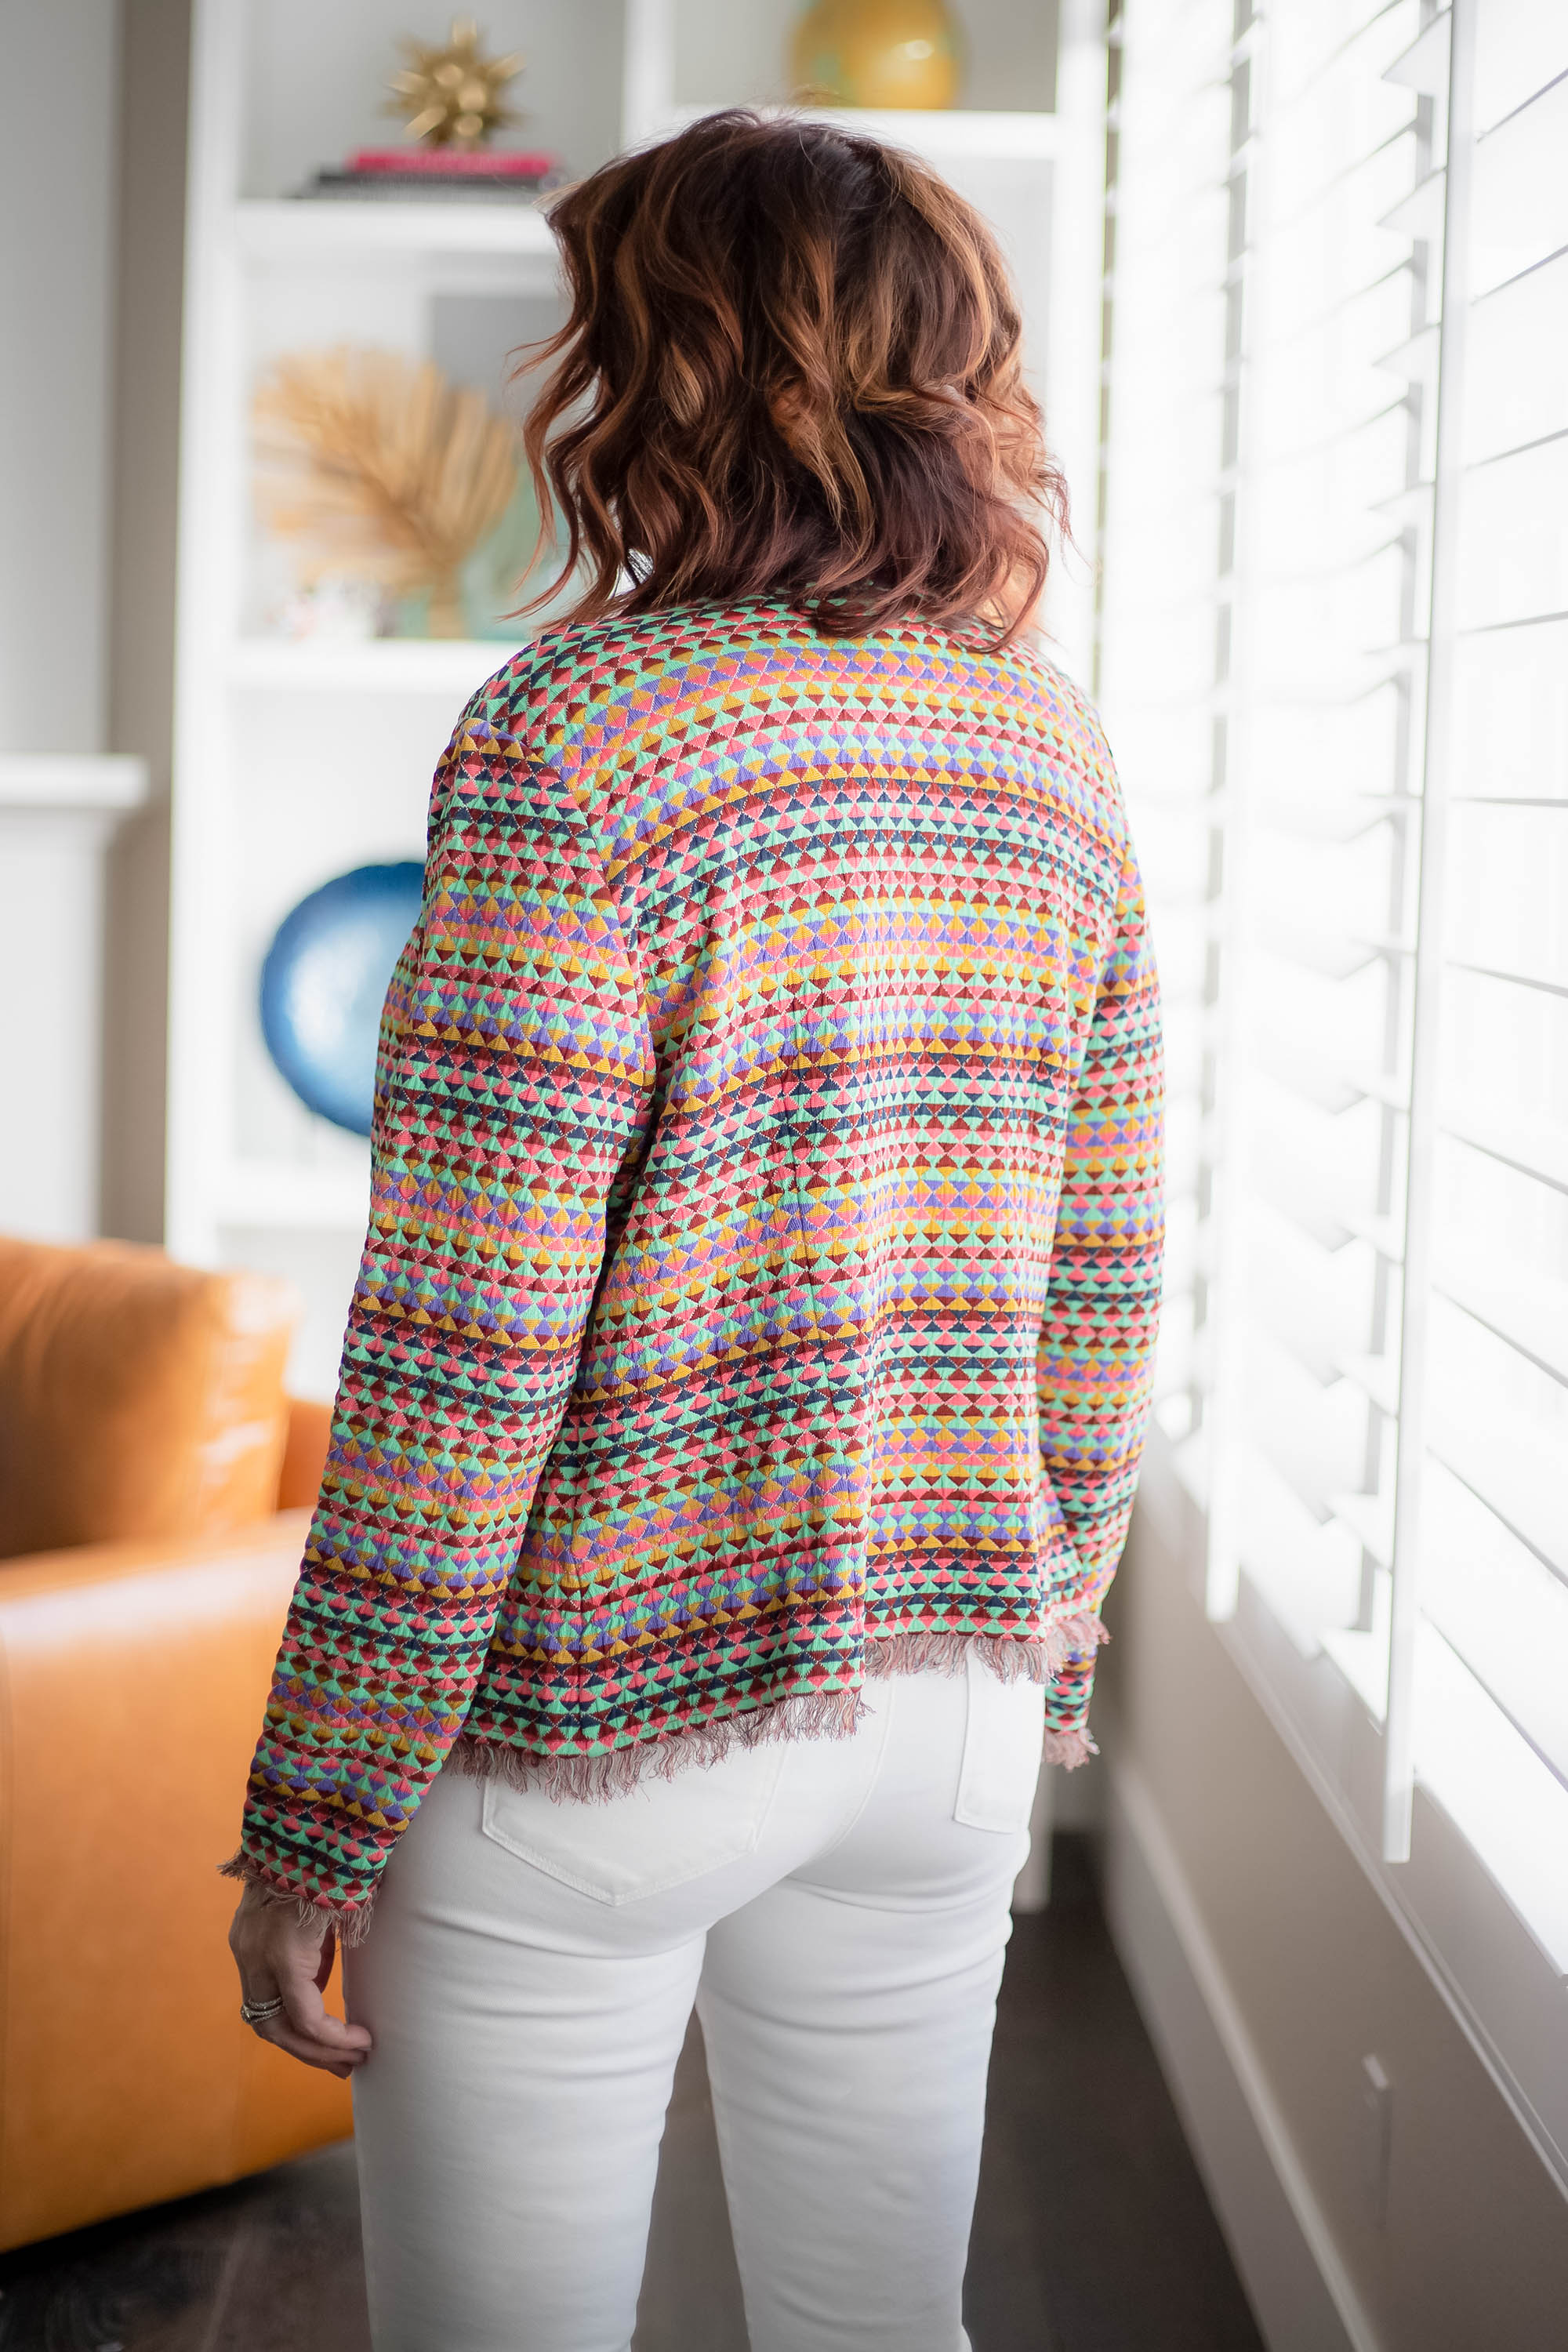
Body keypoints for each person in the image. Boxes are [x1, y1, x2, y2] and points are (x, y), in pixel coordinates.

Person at [224, 107, 1163, 2352]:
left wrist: (317, 1818)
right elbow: (1105, 1283)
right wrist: (1045, 1632)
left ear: (661, 372)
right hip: (946, 1699)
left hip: (600, 1719)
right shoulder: (1052, 753)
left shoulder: (573, 739)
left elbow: (466, 1358)